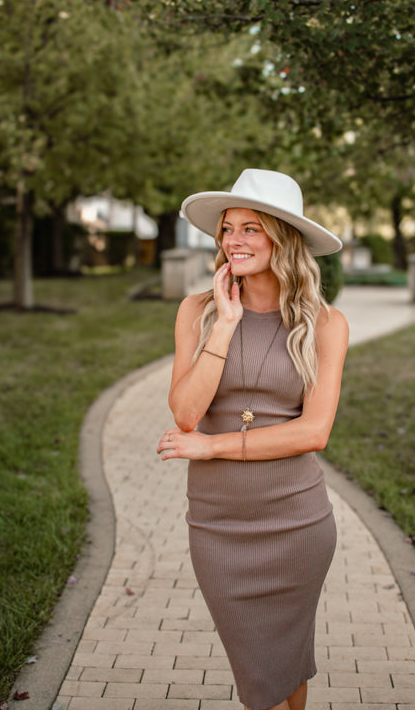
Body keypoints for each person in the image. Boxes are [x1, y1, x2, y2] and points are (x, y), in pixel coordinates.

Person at [157, 168, 349, 710]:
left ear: (281, 238)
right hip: (217, 524)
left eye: (250, 229)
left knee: (286, 657)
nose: (232, 241)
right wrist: (224, 324)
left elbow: (315, 432)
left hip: (297, 520)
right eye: (226, 230)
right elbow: (187, 414)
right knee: (255, 666)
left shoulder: (325, 323)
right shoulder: (197, 311)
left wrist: (214, 448)